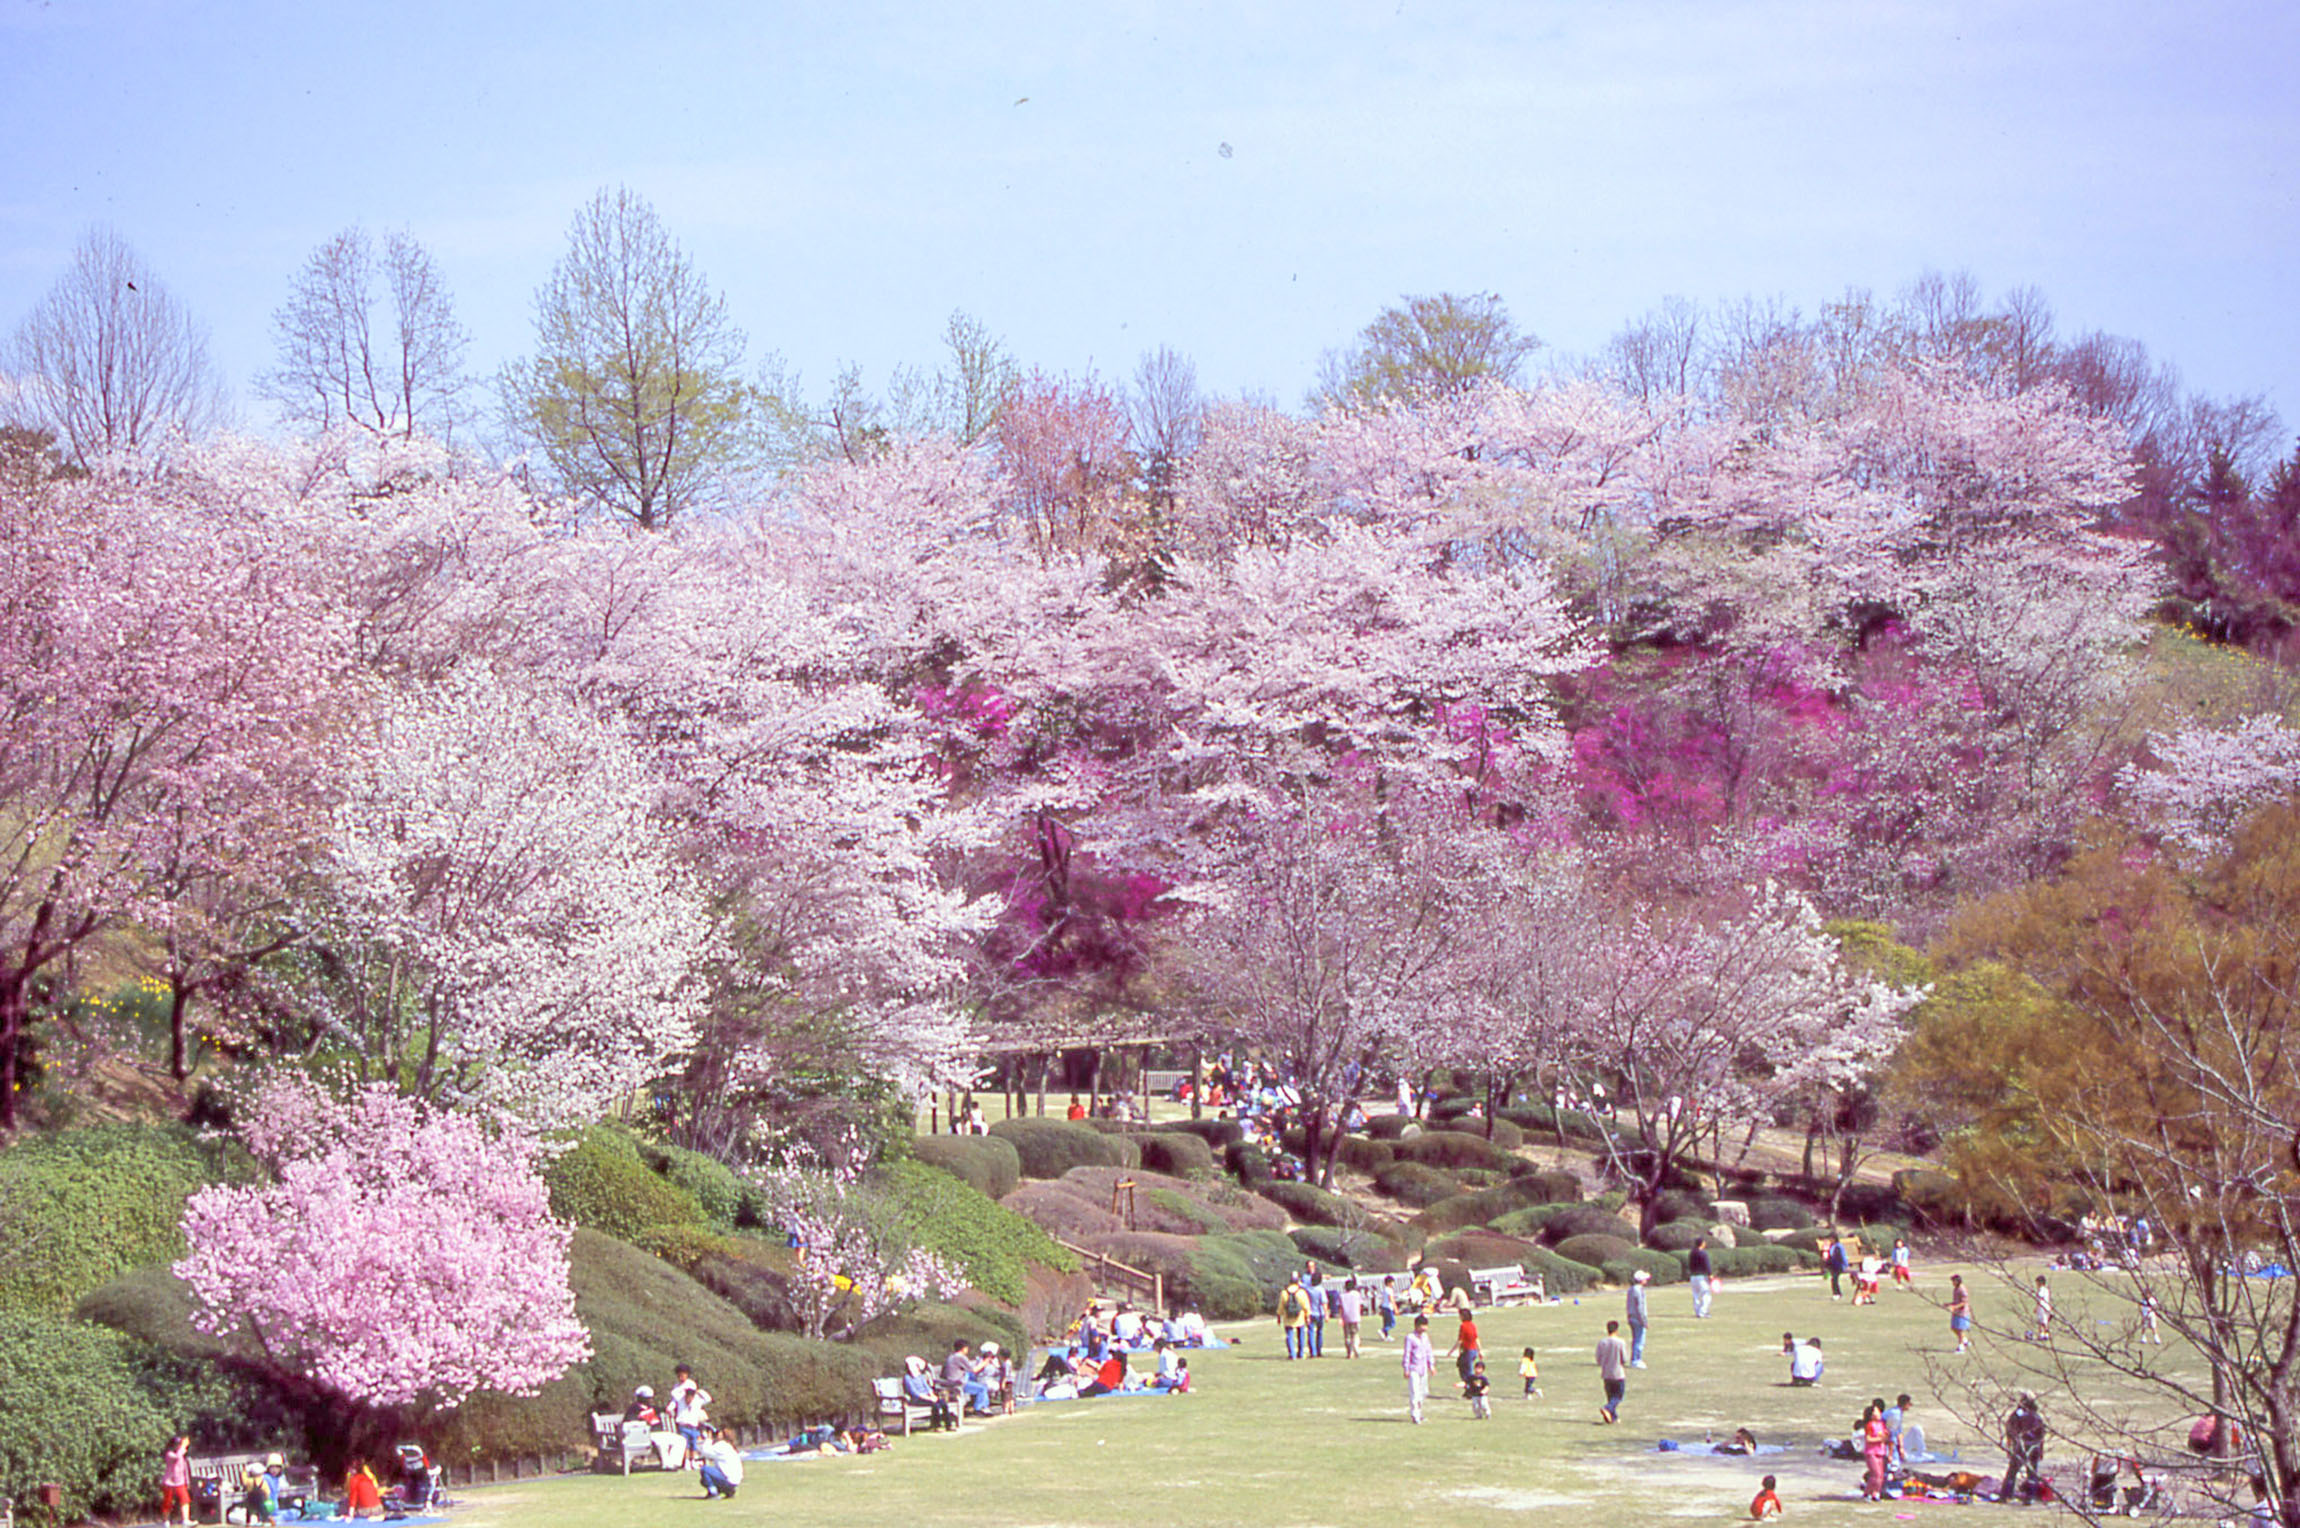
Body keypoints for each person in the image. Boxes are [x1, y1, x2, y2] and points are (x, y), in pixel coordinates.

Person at [2001, 1392, 2046, 1502]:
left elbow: (2010, 1430)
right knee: (2032, 1473)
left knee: (2012, 1471)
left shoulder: (2017, 1414)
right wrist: (2041, 1450)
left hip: (2021, 1446)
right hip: (2034, 1447)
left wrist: (2009, 1445)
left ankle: (2006, 1495)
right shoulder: (2037, 1416)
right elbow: (2041, 1435)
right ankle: (2030, 1497)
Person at [670, 1364, 712, 1458]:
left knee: (694, 1444)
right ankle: (686, 1462)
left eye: (683, 1375)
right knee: (685, 1443)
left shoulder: (691, 1384)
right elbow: (675, 1399)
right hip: (683, 1419)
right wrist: (670, 1408)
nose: (681, 1377)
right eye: (679, 1375)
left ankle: (693, 1460)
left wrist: (698, 1392)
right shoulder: (676, 1387)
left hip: (693, 1419)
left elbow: (697, 1395)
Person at [1402, 1313, 1436, 1425]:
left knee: (1423, 1392)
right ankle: (1415, 1415)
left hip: (1423, 1368)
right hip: (1413, 1369)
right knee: (1415, 1392)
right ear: (1417, 1326)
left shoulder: (1425, 1337)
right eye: (1422, 1326)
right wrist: (1406, 1368)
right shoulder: (1410, 1338)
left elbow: (1428, 1351)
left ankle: (1419, 1413)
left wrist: (1431, 1365)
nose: (1424, 1328)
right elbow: (1407, 1353)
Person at [1595, 1319, 1630, 1424]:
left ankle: (1613, 1417)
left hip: (1606, 1374)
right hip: (1618, 1374)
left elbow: (1598, 1359)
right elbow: (1624, 1358)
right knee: (1619, 1396)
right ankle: (1607, 1408)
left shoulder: (1602, 1342)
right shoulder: (1620, 1342)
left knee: (1610, 1396)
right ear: (1616, 1330)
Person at [943, 1338, 991, 1414]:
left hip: (950, 1382)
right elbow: (974, 1370)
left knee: (973, 1379)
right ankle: (979, 1408)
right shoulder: (960, 1357)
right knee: (982, 1388)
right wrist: (985, 1362)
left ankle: (979, 1406)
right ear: (963, 1348)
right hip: (958, 1383)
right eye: (967, 1348)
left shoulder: (951, 1357)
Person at [695, 1425, 743, 1500]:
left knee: (705, 1470)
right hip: (734, 1481)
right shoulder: (728, 1446)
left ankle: (713, 1493)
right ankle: (729, 1491)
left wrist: (708, 1439)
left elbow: (705, 1451)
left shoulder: (721, 1445)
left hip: (728, 1480)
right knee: (704, 1479)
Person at [1861, 1397, 1892, 1500]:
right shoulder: (1870, 1425)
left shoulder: (1881, 1425)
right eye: (1876, 1412)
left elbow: (1885, 1438)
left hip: (1880, 1452)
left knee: (1881, 1476)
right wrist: (1879, 1439)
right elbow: (1869, 1439)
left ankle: (1876, 1493)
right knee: (1875, 1474)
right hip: (1871, 1452)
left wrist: (1886, 1437)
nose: (1879, 1414)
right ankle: (1867, 1493)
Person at [160, 1435, 193, 1528]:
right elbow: (177, 1457)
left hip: (180, 1481)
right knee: (168, 1502)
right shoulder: (169, 1454)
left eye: (179, 1444)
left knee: (185, 1499)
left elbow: (184, 1468)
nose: (178, 1446)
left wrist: (187, 1481)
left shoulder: (181, 1454)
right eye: (176, 1444)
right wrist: (183, 1447)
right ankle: (166, 1521)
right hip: (169, 1482)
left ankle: (185, 1520)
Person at [1279, 1274, 1312, 1360]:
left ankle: (1292, 1354)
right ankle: (1300, 1353)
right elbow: (1306, 1306)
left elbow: (1281, 1306)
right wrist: (1307, 1316)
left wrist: (1279, 1316)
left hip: (1288, 1317)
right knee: (1301, 1335)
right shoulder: (1301, 1292)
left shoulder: (1284, 1293)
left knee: (1289, 1335)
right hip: (1299, 1317)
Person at [1625, 1268, 1651, 1367]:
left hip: (1632, 1317)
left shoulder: (1631, 1289)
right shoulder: (1638, 1290)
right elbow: (1640, 1307)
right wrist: (1644, 1321)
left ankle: (1635, 1359)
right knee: (1639, 1340)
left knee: (1636, 1339)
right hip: (1637, 1319)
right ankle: (1636, 1360)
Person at [1450, 1309, 1482, 1386]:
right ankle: (1468, 1385)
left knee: (1466, 1370)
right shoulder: (1472, 1325)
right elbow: (1476, 1338)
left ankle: (1471, 1387)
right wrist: (1480, 1350)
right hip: (1473, 1350)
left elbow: (1460, 1340)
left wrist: (1451, 1351)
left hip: (1467, 1351)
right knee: (1466, 1368)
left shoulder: (1463, 1326)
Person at [1688, 1237, 1716, 1318]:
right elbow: (1707, 1265)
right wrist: (1710, 1275)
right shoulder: (1703, 1253)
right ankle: (1703, 1312)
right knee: (1706, 1294)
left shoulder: (1692, 1253)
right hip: (1702, 1276)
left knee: (1696, 1294)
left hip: (1693, 1276)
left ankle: (1697, 1311)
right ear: (1702, 1243)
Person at [1305, 1268, 1328, 1358]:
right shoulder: (1320, 1290)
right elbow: (1324, 1302)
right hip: (1319, 1313)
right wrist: (1326, 1314)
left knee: (1310, 1332)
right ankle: (1319, 1350)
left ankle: (1313, 1351)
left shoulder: (1308, 1288)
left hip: (1310, 1313)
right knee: (1320, 1332)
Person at [1947, 1272, 1973, 1353]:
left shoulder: (1962, 1289)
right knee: (1954, 1328)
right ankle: (1965, 1341)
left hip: (1962, 1313)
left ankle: (1961, 1347)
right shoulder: (1955, 1289)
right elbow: (1956, 1301)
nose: (1952, 1283)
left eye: (1953, 1281)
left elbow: (1964, 1302)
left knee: (1960, 1329)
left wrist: (1954, 1307)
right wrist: (1949, 1304)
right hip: (1956, 1312)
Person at [1339, 1276, 1363, 1359]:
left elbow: (1341, 1308)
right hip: (1355, 1317)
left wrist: (1340, 1317)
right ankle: (1355, 1350)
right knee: (1355, 1334)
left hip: (1346, 1317)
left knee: (1347, 1336)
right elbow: (1360, 1305)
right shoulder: (1357, 1294)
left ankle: (1349, 1352)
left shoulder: (1342, 1296)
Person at [1824, 1235, 1849, 1300]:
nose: (1830, 1240)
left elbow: (1842, 1256)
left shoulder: (1838, 1246)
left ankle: (1837, 1294)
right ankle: (1837, 1293)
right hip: (1833, 1265)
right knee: (1834, 1279)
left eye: (1831, 1238)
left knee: (1834, 1279)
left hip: (1839, 1265)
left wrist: (1846, 1265)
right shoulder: (1832, 1246)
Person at [2030, 1274, 2053, 1341]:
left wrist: (2036, 1308)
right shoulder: (2046, 1290)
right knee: (2044, 1321)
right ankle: (2044, 1334)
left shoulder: (2041, 1290)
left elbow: (2040, 1299)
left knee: (2042, 1322)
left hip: (2042, 1307)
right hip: (2046, 1307)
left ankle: (2043, 1334)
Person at [1376, 1275, 1399, 1341]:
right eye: (1392, 1282)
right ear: (1389, 1283)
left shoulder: (1384, 1290)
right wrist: (1396, 1308)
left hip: (1384, 1307)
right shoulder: (1389, 1290)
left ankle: (1386, 1336)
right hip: (1388, 1308)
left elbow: (1383, 1299)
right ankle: (1382, 1330)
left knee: (1386, 1323)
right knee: (1392, 1323)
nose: (1393, 1284)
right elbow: (1391, 1299)